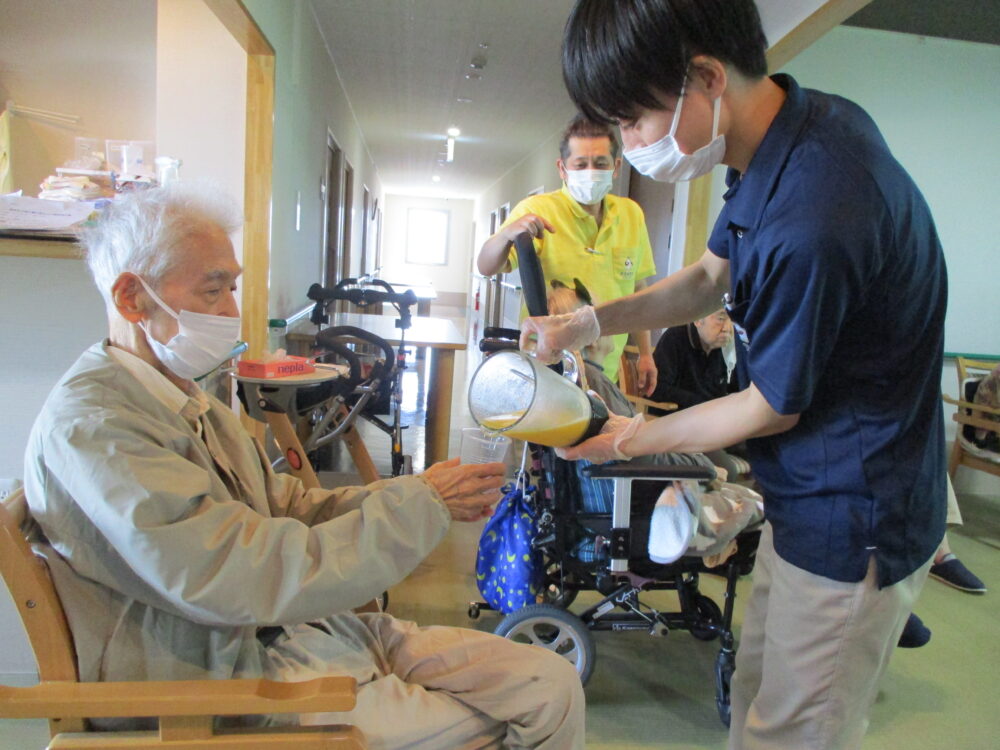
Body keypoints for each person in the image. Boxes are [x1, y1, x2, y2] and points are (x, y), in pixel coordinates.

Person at [523, 2, 950, 748]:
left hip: (855, 515)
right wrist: (589, 323)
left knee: (794, 732)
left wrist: (629, 438)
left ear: (707, 79)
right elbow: (707, 279)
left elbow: (769, 406)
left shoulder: (819, 212)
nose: (627, 146)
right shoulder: (788, 138)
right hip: (802, 495)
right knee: (756, 698)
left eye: (633, 122)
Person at [22, 183, 585, 748]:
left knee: (551, 681)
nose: (232, 312)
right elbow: (238, 573)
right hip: (224, 676)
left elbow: (284, 506)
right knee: (522, 716)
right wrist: (420, 507)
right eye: (213, 289)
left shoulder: (182, 394)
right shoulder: (98, 427)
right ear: (131, 299)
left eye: (232, 287)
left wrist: (416, 492)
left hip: (298, 633)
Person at [477, 114, 658, 390]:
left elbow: (638, 290)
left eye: (600, 164)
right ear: (562, 169)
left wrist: (646, 354)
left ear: (616, 166)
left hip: (604, 370)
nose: (591, 172)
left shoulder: (631, 214)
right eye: (580, 164)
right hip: (548, 366)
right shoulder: (536, 209)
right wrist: (506, 234)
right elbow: (485, 267)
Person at [649, 311, 750, 480]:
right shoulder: (675, 339)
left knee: (770, 448)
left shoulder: (726, 348)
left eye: (731, 320)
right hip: (683, 425)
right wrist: (702, 404)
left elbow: (737, 390)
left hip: (716, 423)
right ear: (698, 320)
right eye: (720, 319)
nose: (726, 328)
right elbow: (657, 389)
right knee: (728, 471)